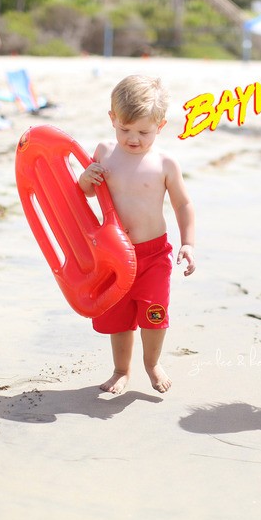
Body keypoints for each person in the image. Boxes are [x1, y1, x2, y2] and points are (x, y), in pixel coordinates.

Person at [78, 75, 196, 395]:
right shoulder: (104, 152)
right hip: (114, 254)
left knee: (154, 314)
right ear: (112, 119)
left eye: (144, 132)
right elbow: (85, 193)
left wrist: (188, 243)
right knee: (118, 317)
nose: (133, 139)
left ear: (160, 126)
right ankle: (121, 370)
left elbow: (183, 204)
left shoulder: (164, 163)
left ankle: (152, 363)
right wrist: (87, 177)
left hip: (153, 255)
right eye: (125, 129)